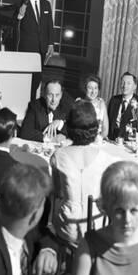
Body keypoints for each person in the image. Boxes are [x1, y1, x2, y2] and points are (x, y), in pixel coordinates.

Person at [50, 101, 117, 246]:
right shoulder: (105, 158)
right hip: (97, 224)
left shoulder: (58, 155)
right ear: (95, 128)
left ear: (70, 127)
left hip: (68, 225)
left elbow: (57, 192)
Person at [15, 0, 54, 99]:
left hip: (41, 48)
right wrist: (21, 14)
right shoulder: (22, 3)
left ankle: (31, 100)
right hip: (27, 48)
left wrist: (51, 44)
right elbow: (15, 24)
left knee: (37, 77)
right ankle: (26, 101)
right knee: (27, 79)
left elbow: (50, 26)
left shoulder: (46, 4)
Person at [107, 72, 138, 140]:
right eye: (123, 82)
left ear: (135, 86)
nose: (124, 86)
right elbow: (108, 122)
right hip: (111, 140)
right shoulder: (114, 100)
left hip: (129, 143)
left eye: (128, 83)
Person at [77, 74, 109, 138]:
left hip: (98, 141)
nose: (93, 92)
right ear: (85, 89)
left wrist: (99, 139)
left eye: (95, 88)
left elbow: (105, 130)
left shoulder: (101, 103)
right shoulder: (79, 102)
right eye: (90, 88)